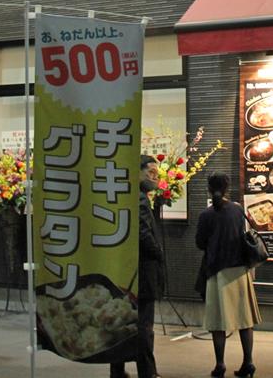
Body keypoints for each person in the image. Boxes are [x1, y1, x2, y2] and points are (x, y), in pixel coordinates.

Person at [196, 172, 261, 378]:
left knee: (218, 322)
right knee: (245, 320)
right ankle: (248, 362)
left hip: (217, 272)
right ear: (227, 188)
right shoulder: (237, 209)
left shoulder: (206, 215)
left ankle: (220, 364)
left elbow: (200, 243)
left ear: (209, 188)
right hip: (240, 271)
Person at [111, 155, 166, 378]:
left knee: (123, 323)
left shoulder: (127, 196)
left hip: (126, 271)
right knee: (144, 326)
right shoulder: (139, 199)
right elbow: (143, 234)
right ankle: (147, 372)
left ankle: (117, 370)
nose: (155, 177)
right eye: (150, 172)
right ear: (137, 173)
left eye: (157, 173)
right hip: (142, 272)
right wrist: (158, 252)